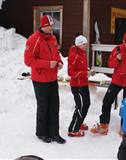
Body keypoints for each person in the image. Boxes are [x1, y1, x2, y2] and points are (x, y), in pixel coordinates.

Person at [90, 32, 126, 135]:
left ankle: (125, 127)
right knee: (107, 101)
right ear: (123, 41)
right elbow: (110, 64)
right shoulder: (117, 50)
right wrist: (117, 59)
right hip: (117, 80)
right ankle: (104, 124)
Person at [24, 15, 66, 144]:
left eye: (52, 25)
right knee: (43, 107)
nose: (52, 28)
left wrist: (59, 62)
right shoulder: (33, 39)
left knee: (54, 106)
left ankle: (54, 133)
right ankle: (41, 133)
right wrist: (48, 64)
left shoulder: (53, 38)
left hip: (52, 78)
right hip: (40, 80)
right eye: (50, 25)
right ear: (43, 26)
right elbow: (28, 61)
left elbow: (56, 54)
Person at [67, 35, 91, 137]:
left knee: (87, 103)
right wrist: (84, 73)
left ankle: (79, 122)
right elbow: (70, 72)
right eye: (84, 44)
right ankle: (73, 129)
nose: (86, 46)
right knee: (80, 106)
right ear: (79, 44)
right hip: (77, 85)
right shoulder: (74, 55)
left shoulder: (82, 53)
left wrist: (87, 72)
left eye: (86, 44)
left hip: (84, 84)